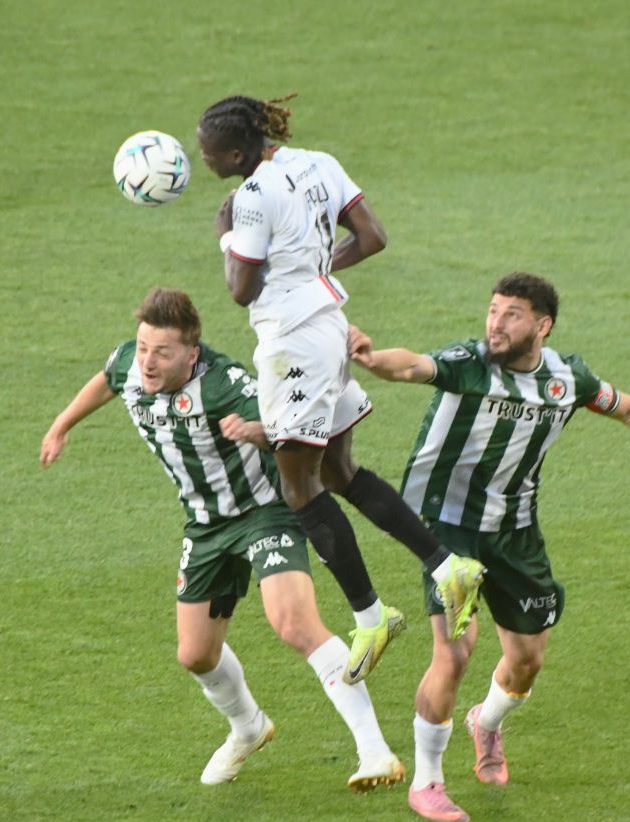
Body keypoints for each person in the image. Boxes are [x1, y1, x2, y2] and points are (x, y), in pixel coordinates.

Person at [348, 271, 630, 822]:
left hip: (516, 530)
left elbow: (628, 408)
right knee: (454, 652)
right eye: (493, 310)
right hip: (448, 527)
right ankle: (427, 781)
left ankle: (486, 723)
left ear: (543, 325)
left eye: (511, 315)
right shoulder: (469, 362)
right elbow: (413, 366)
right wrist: (371, 361)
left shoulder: (566, 379)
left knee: (527, 659)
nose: (496, 323)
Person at [40, 287, 404, 791]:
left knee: (295, 623)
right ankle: (248, 727)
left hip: (266, 511)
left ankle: (375, 751)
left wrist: (257, 430)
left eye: (161, 352)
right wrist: (62, 425)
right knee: (195, 655)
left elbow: (297, 428)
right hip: (205, 525)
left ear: (192, 354)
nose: (148, 361)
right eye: (143, 347)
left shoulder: (225, 384)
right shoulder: (129, 363)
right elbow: (107, 380)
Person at [196, 92, 485, 684]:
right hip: (329, 325)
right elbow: (372, 236)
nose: (204, 161)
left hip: (292, 345)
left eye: (208, 153)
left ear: (236, 153)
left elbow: (241, 289)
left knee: (299, 487)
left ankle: (371, 618)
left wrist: (226, 236)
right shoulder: (318, 162)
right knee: (338, 471)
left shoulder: (251, 196)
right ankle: (446, 567)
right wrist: (315, 272)